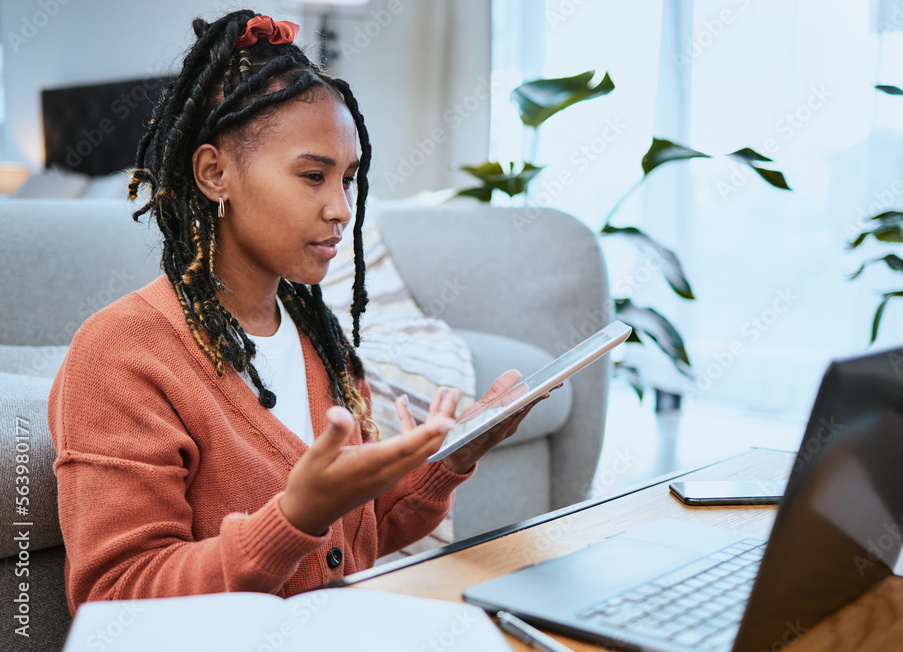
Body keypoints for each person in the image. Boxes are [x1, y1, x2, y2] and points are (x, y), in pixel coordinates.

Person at [48, 10, 549, 615]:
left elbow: (356, 538)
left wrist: (451, 461)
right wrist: (293, 517)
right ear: (215, 173)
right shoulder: (121, 354)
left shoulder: (321, 339)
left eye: (348, 179)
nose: (341, 208)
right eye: (313, 175)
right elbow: (114, 598)